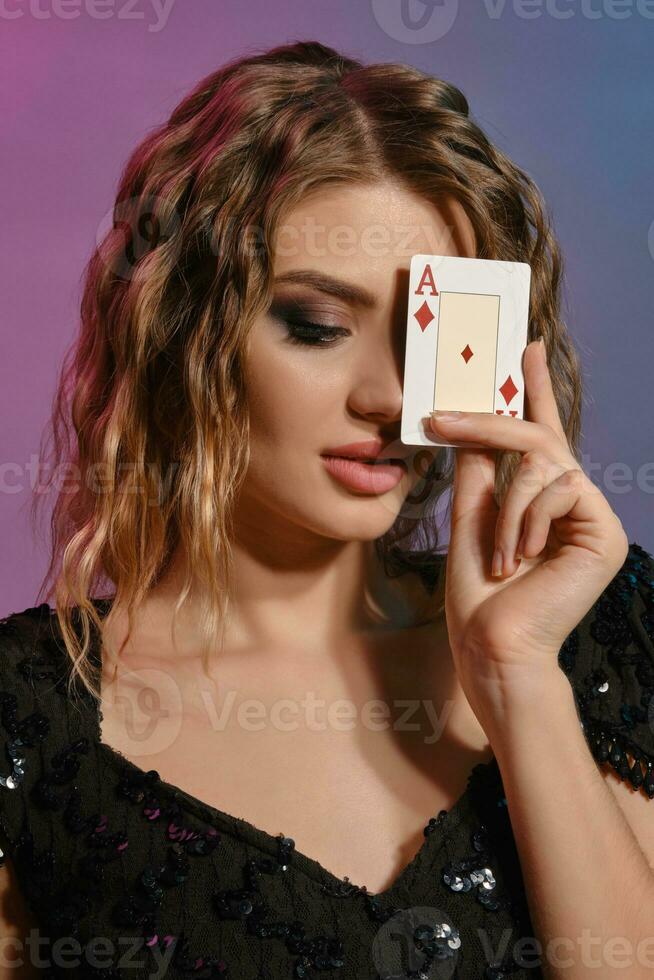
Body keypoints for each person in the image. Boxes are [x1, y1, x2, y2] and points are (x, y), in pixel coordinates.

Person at [1, 39, 652, 980]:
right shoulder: (31, 718)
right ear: (187, 332)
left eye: (431, 338)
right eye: (317, 326)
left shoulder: (589, 636)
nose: (389, 396)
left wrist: (517, 682)